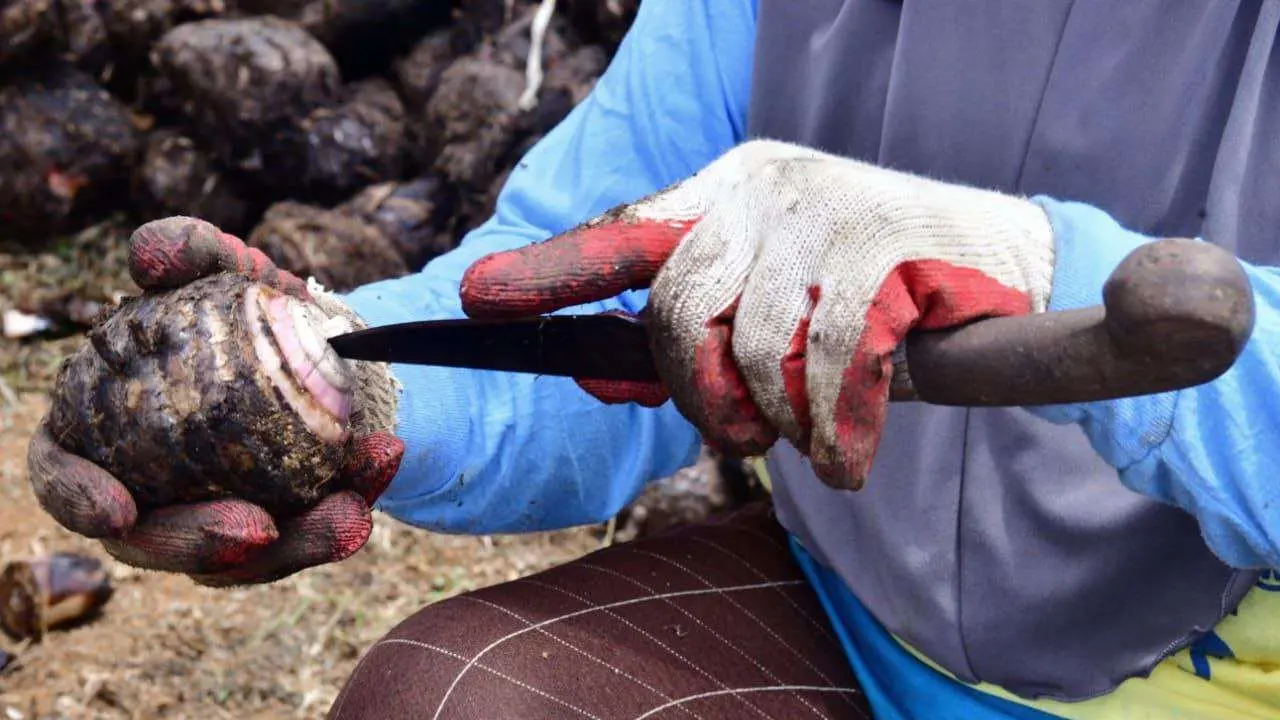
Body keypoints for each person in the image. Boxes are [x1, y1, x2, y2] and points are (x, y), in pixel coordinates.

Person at [23, 1, 1280, 718]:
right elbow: (582, 279)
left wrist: (1037, 259)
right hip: (862, 615)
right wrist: (352, 389)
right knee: (457, 702)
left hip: (1220, 672)